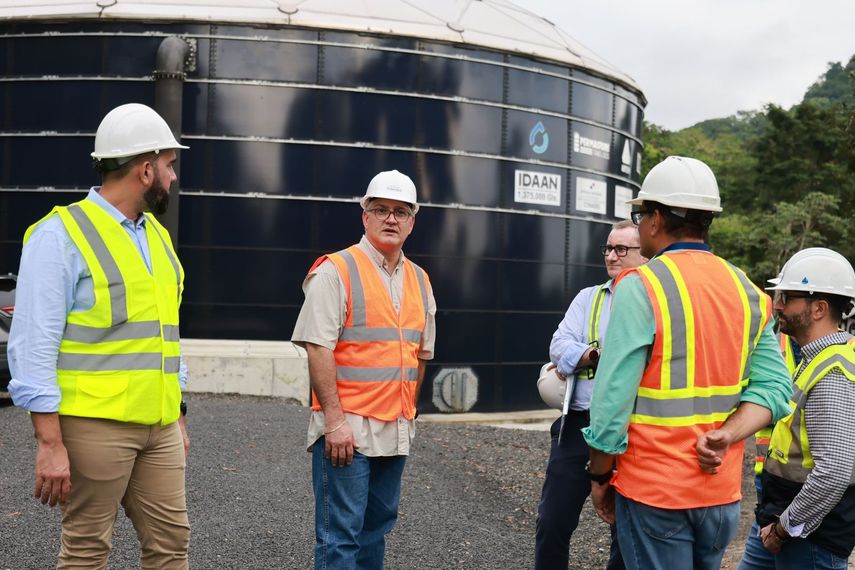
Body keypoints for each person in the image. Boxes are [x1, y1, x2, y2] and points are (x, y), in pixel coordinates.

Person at [581, 156, 793, 570]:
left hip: (655, 493)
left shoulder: (642, 286)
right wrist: (727, 435)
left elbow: (610, 404)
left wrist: (600, 476)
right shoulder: (747, 291)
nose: (639, 224)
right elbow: (775, 390)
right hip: (719, 499)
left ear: (656, 219)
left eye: (639, 215)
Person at [7, 103, 191, 569]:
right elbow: (32, 345)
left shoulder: (158, 238)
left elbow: (166, 331)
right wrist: (50, 444)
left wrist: (178, 409)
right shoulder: (59, 235)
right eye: (169, 165)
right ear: (146, 170)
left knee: (171, 546)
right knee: (87, 548)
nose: (173, 177)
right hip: (94, 426)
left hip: (161, 425)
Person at [291, 169, 437, 569]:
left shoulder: (420, 281)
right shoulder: (335, 270)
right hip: (348, 430)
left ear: (412, 220)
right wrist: (335, 423)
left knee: (376, 531)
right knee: (340, 538)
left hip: (395, 427)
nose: (391, 218)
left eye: (400, 211)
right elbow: (317, 347)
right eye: (381, 209)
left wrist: (411, 412)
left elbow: (420, 355)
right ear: (364, 216)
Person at [534, 220, 645, 570]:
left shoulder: (655, 303)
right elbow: (558, 344)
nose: (611, 256)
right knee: (552, 522)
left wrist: (579, 356)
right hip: (579, 427)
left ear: (645, 254)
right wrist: (596, 355)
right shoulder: (589, 298)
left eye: (621, 249)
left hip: (634, 432)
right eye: (608, 248)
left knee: (625, 531)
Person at [735, 247, 855, 570]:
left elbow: (834, 472)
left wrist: (784, 528)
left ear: (819, 309)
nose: (777, 305)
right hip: (782, 517)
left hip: (808, 537)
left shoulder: (832, 373)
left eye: (787, 297)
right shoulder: (812, 356)